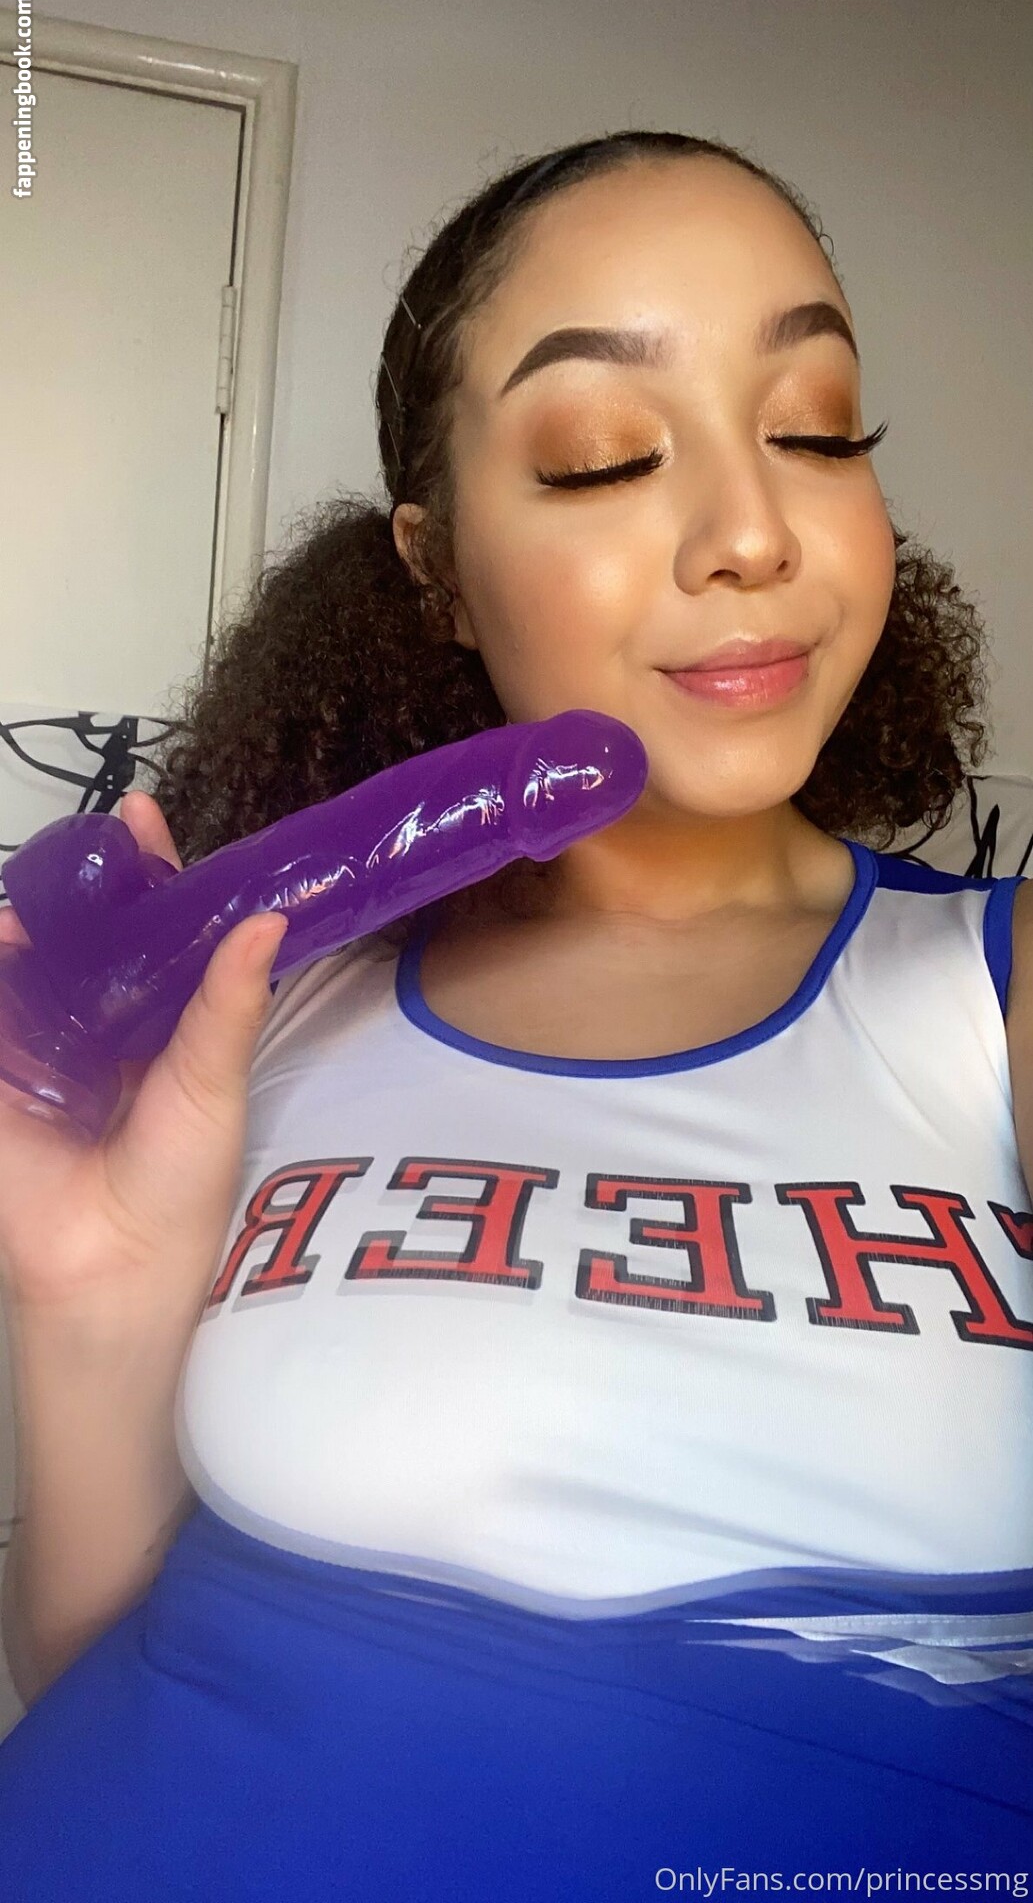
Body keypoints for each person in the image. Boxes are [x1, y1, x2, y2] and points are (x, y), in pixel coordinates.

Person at [0, 128, 1030, 1898]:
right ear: (437, 568)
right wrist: (81, 1283)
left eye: (814, 426)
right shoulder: (272, 1009)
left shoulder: (988, 997)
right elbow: (80, 1660)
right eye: (600, 453)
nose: (751, 532)